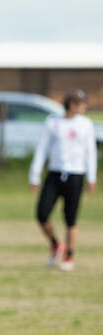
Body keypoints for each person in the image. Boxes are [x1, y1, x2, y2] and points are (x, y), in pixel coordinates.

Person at [29, 89, 97, 272]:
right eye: (82, 104)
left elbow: (90, 151)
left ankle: (69, 256)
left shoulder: (86, 124)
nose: (85, 107)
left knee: (70, 218)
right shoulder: (53, 122)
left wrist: (92, 176)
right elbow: (42, 149)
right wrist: (34, 175)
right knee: (42, 213)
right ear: (72, 105)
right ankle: (56, 244)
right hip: (55, 173)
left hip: (76, 174)